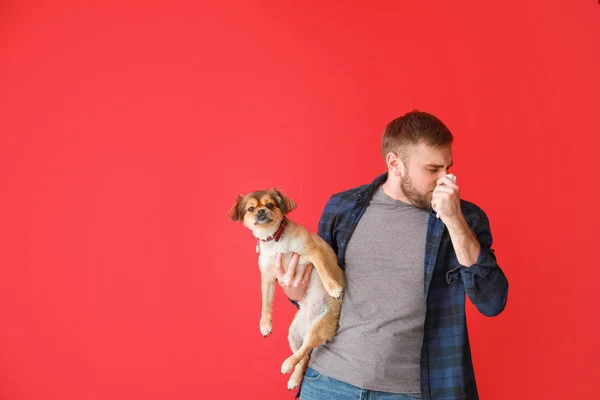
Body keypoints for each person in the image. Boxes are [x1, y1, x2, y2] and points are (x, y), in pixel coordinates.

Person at [274, 110, 509, 400]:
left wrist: (454, 221)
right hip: (328, 382)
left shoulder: (465, 219)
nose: (446, 179)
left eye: (448, 168)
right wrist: (295, 292)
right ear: (395, 164)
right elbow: (323, 291)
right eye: (433, 169)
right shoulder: (342, 209)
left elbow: (492, 301)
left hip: (410, 392)